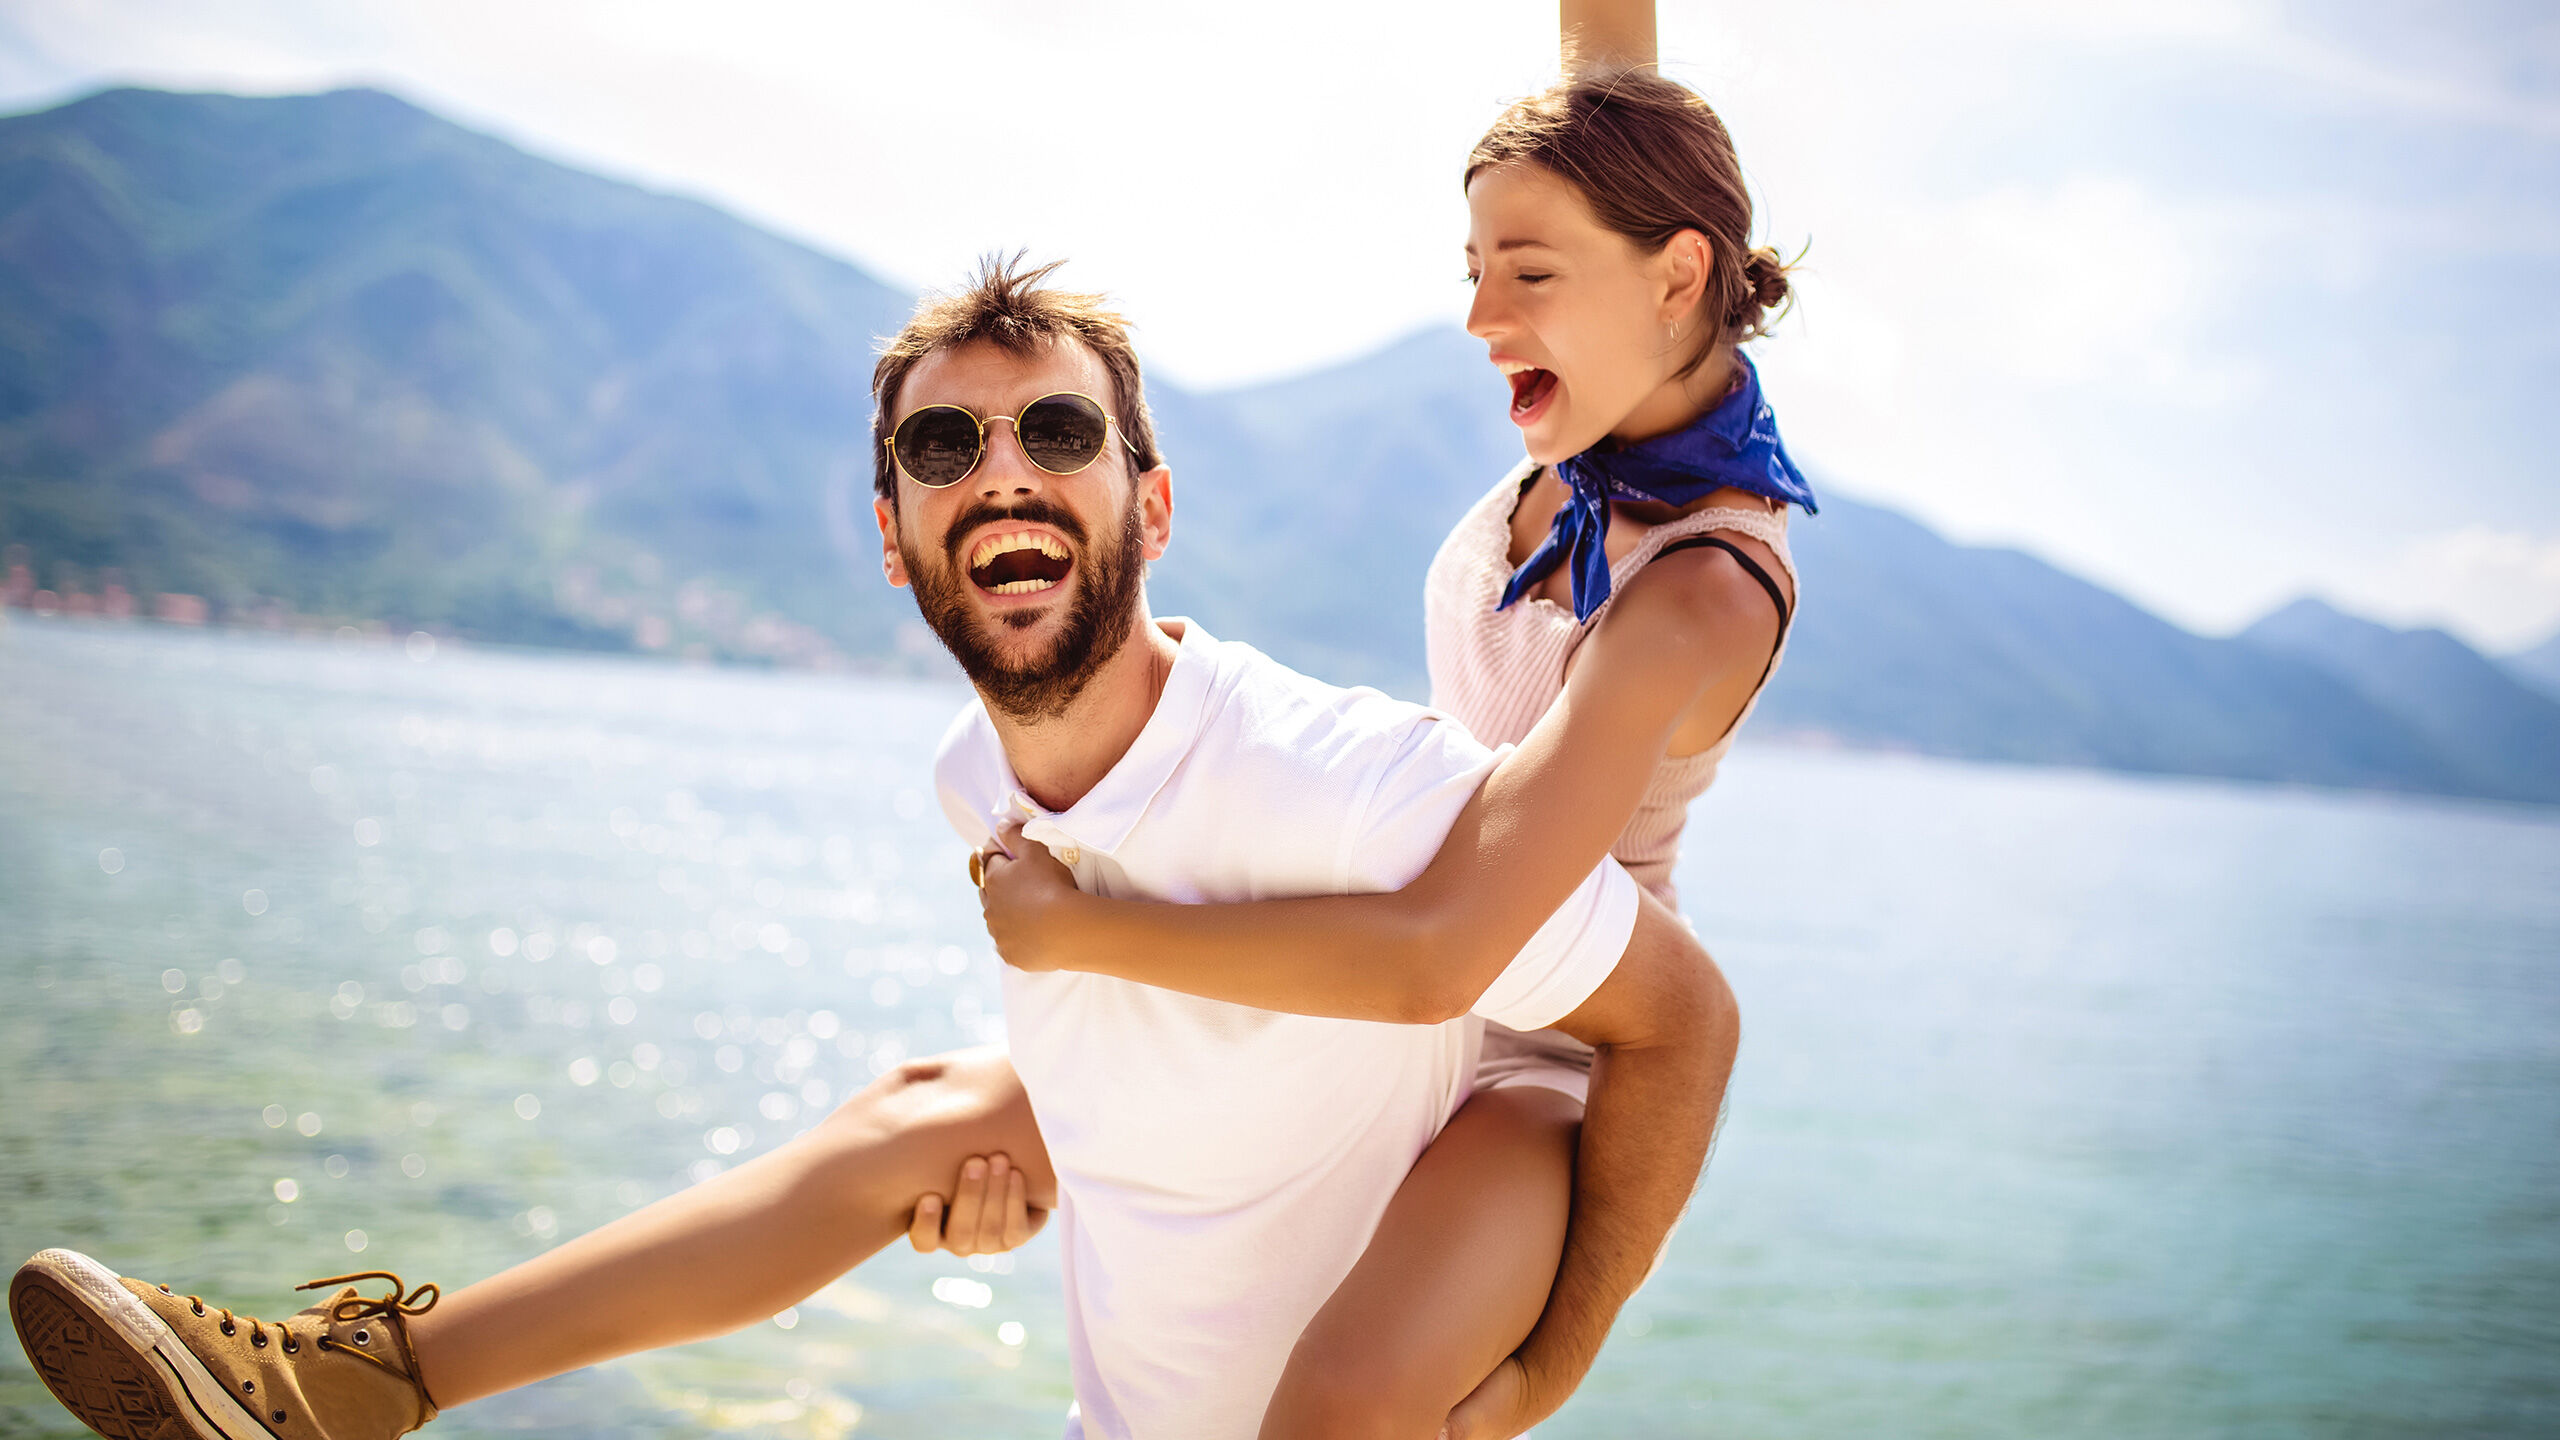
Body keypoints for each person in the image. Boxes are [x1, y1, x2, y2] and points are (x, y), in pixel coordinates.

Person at [10, 250, 1737, 1439]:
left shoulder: (1358, 786)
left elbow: (1681, 1023)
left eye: (1058, 431)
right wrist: (1058, 1167)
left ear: (1151, 500)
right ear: (897, 542)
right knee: (924, 1118)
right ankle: (354, 1386)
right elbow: (1176, 1067)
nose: (1001, 470)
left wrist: (1551, 1369)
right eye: (942, 445)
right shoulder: (972, 789)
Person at [957, 51, 1813, 1440]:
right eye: (1472, 264)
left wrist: (1075, 936)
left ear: (1677, 277)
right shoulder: (1610, 391)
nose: (1478, 313)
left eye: (1524, 274)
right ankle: (460, 1374)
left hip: (1539, 1040)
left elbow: (1439, 959)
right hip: (1381, 968)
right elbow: (1615, 109)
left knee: (1330, 1416)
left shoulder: (1699, 588)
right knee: (913, 1138)